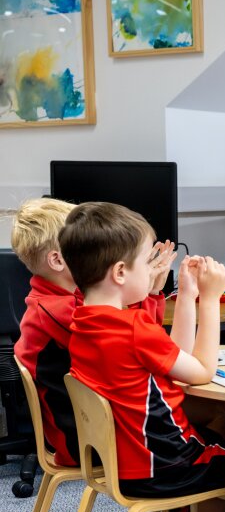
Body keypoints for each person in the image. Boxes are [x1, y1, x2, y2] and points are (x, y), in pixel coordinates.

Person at [59, 201, 225, 512]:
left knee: (222, 439)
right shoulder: (133, 327)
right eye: (146, 262)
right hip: (164, 468)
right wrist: (210, 299)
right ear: (121, 273)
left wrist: (186, 295)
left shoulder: (84, 321)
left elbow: (176, 358)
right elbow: (202, 371)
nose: (154, 270)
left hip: (124, 465)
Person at [12, 197, 174, 467]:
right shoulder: (58, 310)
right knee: (197, 425)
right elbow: (138, 341)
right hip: (84, 441)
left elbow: (142, 335)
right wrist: (147, 291)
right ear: (58, 260)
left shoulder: (62, 301)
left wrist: (150, 291)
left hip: (92, 426)